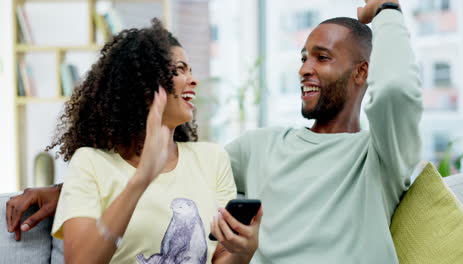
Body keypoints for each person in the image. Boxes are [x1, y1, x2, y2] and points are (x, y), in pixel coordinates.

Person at [6, 0, 421, 263]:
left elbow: (397, 91)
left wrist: (386, 12)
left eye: (322, 57)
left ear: (361, 72)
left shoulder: (382, 154)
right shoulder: (261, 146)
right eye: (302, 57)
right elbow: (172, 173)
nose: (304, 68)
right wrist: (64, 192)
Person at [7, 18, 261, 264]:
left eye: (191, 70)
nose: (192, 80)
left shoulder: (211, 159)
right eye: (179, 70)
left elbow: (220, 259)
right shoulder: (90, 163)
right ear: (142, 85)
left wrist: (245, 250)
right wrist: (142, 178)